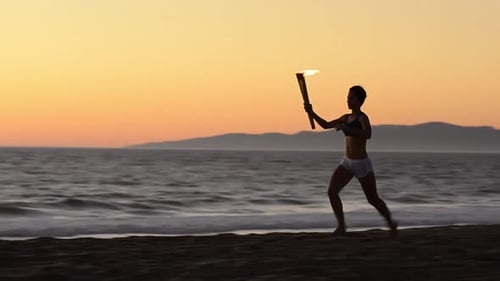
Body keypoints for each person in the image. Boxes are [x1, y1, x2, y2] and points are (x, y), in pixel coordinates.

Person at [304, 85, 397, 237]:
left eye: (351, 98)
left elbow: (368, 134)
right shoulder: (345, 118)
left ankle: (391, 223)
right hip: (347, 162)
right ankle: (341, 226)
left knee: (372, 199)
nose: (348, 100)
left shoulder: (362, 118)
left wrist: (347, 129)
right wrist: (311, 112)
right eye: (347, 97)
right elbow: (326, 124)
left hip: (362, 164)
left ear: (360, 101)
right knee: (332, 192)